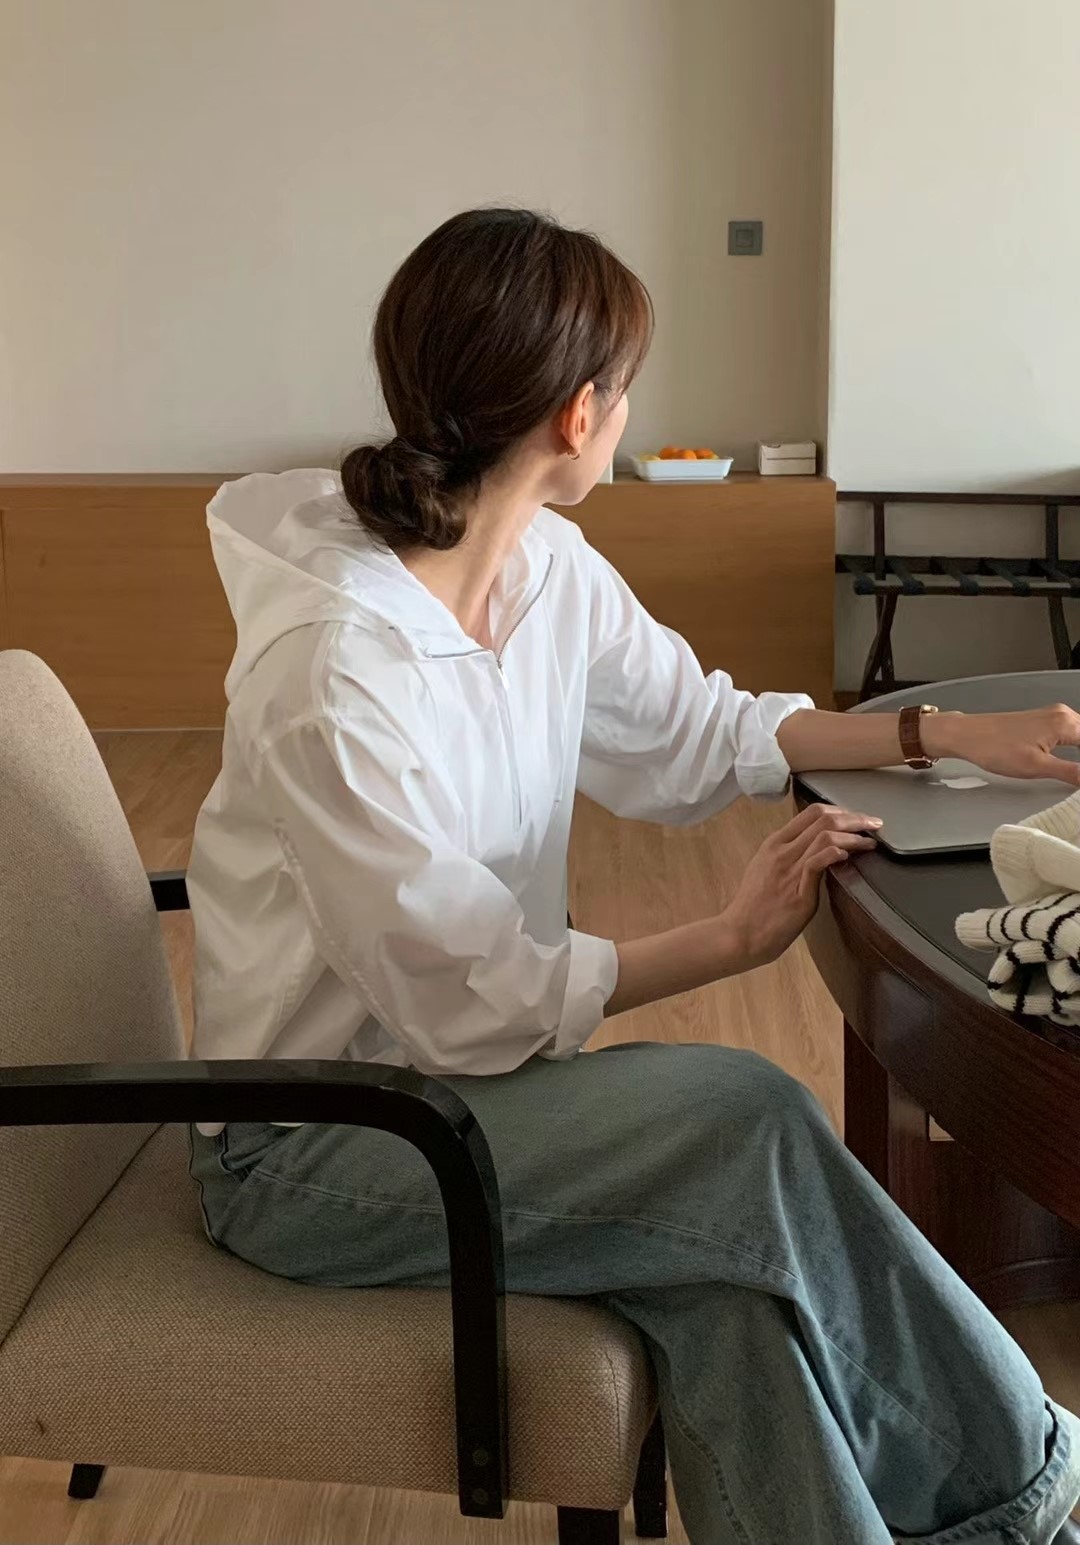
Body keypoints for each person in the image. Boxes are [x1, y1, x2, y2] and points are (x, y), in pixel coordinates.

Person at [187, 208, 1080, 1544]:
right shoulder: (336, 672)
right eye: (628, 388)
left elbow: (697, 728)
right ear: (578, 413)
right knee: (747, 1115)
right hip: (322, 1141)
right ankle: (1035, 1496)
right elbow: (465, 999)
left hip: (471, 1089)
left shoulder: (540, 568)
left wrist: (935, 734)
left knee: (731, 1299)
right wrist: (728, 936)